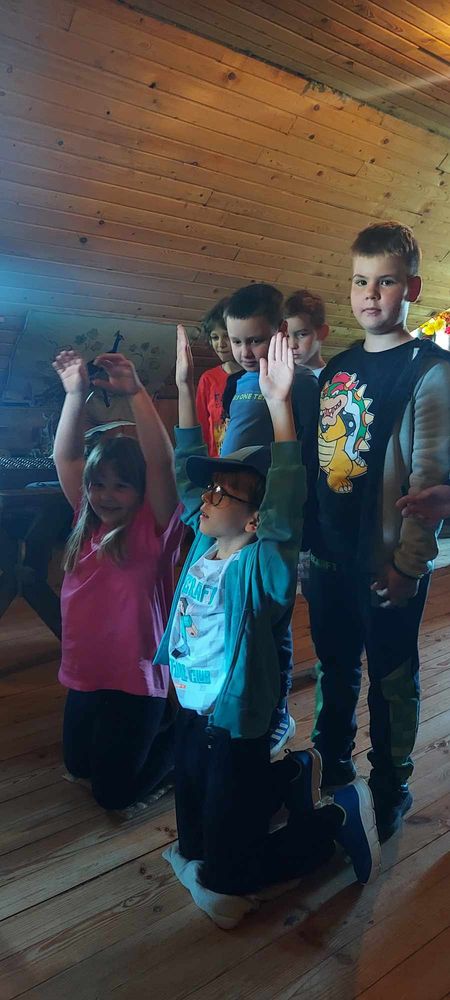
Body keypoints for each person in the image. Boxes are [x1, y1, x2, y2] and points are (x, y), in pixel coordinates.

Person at [156, 327, 380, 928]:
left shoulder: (262, 568)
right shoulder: (204, 542)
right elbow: (186, 475)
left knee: (228, 877)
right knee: (193, 839)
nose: (207, 499)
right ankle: (287, 777)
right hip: (192, 711)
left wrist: (281, 407)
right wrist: (183, 388)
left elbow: (285, 513)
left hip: (236, 722)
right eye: (210, 490)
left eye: (224, 493)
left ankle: (331, 821)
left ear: (254, 519)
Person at [308, 221, 450, 842]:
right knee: (334, 669)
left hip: (387, 561)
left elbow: (428, 484)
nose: (370, 294)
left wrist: (409, 565)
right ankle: (331, 765)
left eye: (385, 282)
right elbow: (320, 466)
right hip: (329, 558)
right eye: (360, 281)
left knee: (390, 678)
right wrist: (310, 548)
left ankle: (390, 785)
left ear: (411, 288)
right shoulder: (337, 368)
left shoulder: (431, 371)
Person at [53, 349, 183, 812]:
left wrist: (135, 393)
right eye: (98, 483)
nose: (106, 495)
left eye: (121, 485)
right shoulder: (85, 521)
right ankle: (152, 732)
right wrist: (74, 394)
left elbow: (161, 464)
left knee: (114, 796)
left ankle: (185, 735)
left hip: (135, 682)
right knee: (78, 767)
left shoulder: (155, 527)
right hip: (89, 674)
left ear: (141, 490)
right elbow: (66, 455)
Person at [220, 283, 320, 757]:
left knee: (273, 622)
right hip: (235, 523)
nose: (244, 352)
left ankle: (277, 713)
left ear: (280, 332)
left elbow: (308, 456)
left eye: (255, 340)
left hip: (274, 522)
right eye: (236, 341)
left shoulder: (302, 385)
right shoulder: (239, 383)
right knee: (239, 616)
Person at [195, 298, 242, 457]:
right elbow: (201, 423)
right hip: (215, 461)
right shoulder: (208, 379)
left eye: (226, 337)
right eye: (215, 337)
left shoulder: (253, 377)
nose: (221, 344)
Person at [284, 289, 329, 378]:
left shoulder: (334, 378)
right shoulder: (277, 377)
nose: (292, 345)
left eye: (302, 334)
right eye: (287, 336)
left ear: (323, 332)